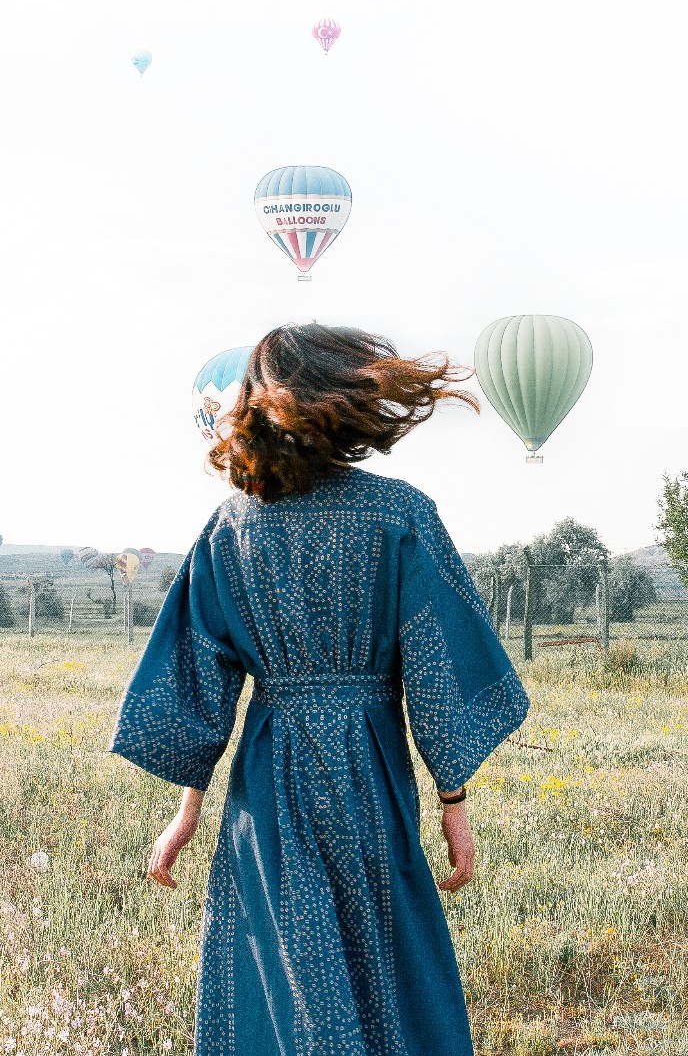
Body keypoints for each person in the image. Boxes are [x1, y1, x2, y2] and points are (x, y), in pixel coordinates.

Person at [111, 323, 529, 1055]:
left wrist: (188, 812)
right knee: (386, 959)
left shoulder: (228, 525)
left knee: (286, 965)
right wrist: (453, 801)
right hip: (370, 774)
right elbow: (436, 666)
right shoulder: (401, 513)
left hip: (269, 778)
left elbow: (199, 684)